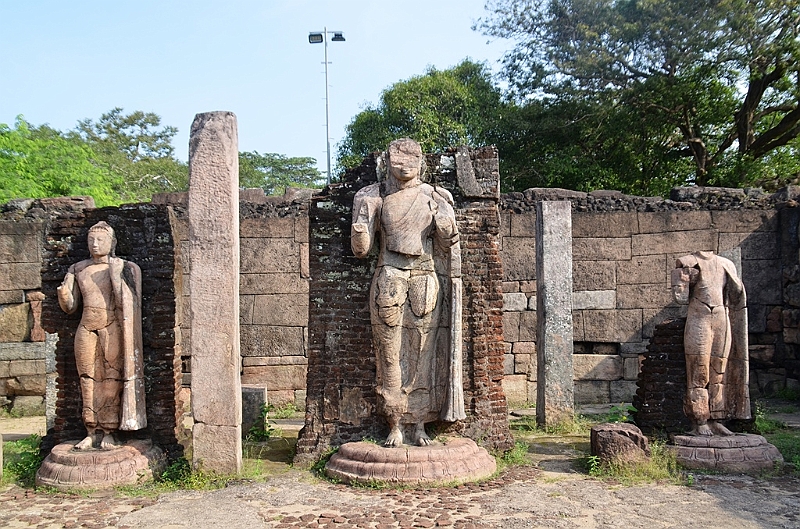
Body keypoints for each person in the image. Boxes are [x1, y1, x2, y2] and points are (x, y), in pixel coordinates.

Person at [351, 138, 465, 447]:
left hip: (425, 276)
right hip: (389, 274)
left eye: (412, 157)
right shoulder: (375, 196)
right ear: (387, 161)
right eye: (398, 157)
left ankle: (419, 424)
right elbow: (361, 250)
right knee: (389, 357)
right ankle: (395, 422)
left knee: (422, 355)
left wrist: (444, 221)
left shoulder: (435, 196)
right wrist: (362, 223)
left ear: (422, 162)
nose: (405, 163)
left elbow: (448, 244)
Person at [57, 221, 146, 450]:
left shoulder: (120, 266)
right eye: (91, 241)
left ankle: (109, 429)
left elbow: (128, 302)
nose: (95, 245)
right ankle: (90, 429)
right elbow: (70, 307)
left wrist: (117, 277)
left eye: (100, 240)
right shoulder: (78, 269)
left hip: (111, 326)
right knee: (86, 378)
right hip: (86, 326)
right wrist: (63, 294)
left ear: (111, 243)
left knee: (111, 379)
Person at [671, 251, 750, 436]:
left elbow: (737, 296)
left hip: (721, 317)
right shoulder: (687, 262)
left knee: (720, 369)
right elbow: (680, 299)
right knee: (699, 369)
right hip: (699, 317)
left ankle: (717, 417)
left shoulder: (726, 264)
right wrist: (681, 280)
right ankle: (699, 419)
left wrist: (736, 285)